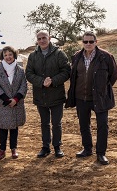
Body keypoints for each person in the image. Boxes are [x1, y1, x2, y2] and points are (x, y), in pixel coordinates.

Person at [66, 31, 117, 165]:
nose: (88, 44)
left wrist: (102, 90)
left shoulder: (106, 57)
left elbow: (113, 75)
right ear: (82, 42)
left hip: (100, 98)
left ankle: (101, 154)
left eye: (91, 41)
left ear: (96, 42)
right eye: (85, 42)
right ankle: (87, 149)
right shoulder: (77, 56)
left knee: (102, 126)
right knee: (84, 125)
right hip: (81, 98)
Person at [25, 30, 70, 158]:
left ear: (49, 38)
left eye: (44, 38)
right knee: (44, 123)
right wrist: (41, 81)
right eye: (39, 39)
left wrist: (53, 81)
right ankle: (45, 147)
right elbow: (29, 74)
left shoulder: (59, 54)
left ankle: (57, 147)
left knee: (56, 123)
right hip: (40, 95)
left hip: (56, 95)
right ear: (37, 40)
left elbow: (66, 72)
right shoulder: (33, 56)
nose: (42, 41)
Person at [0, 46, 27, 160]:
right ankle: (2, 150)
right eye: (5, 55)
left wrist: (16, 99)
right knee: (3, 128)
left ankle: (13, 149)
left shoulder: (20, 70)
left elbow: (24, 86)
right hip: (3, 103)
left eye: (10, 54)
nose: (8, 57)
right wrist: (6, 99)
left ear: (14, 55)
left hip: (16, 103)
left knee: (14, 128)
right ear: (3, 56)